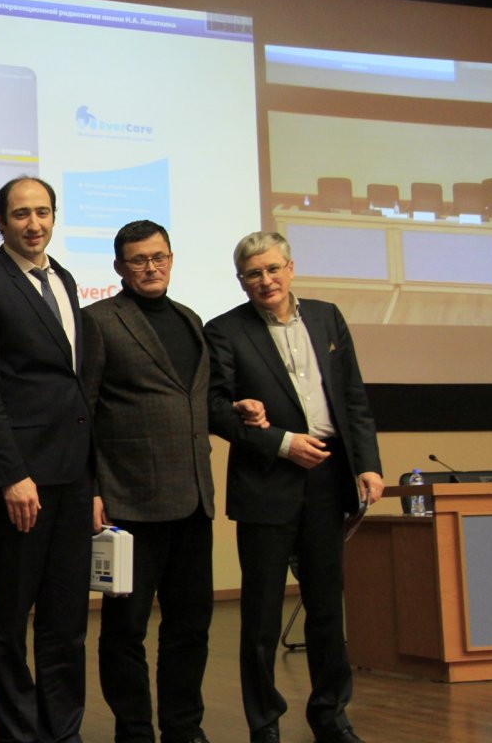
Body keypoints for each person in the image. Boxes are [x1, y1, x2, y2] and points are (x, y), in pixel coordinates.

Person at [83, 220, 266, 743]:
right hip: (128, 502)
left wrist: (235, 411)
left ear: (171, 258)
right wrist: (91, 488)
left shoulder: (190, 319)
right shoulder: (98, 321)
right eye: (138, 259)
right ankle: (135, 732)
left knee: (190, 627)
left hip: (192, 501)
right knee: (125, 632)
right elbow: (83, 411)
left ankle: (184, 729)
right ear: (119, 267)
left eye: (158, 256)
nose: (150, 267)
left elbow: (196, 401)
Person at [205, 231, 385, 743]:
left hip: (328, 476)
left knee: (326, 608)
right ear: (241, 281)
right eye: (253, 274)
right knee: (262, 616)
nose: (265, 281)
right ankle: (264, 724)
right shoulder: (224, 330)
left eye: (272, 269)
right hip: (267, 481)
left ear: (290, 267)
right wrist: (281, 442)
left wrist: (368, 465)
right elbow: (214, 408)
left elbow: (352, 397)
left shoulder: (327, 318)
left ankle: (331, 715)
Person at [0, 176, 92, 743]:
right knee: (12, 619)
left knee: (67, 619)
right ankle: (17, 733)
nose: (33, 224)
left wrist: (92, 479)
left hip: (73, 473)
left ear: (54, 216)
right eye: (20, 214)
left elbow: (71, 382)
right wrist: (10, 475)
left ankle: (63, 731)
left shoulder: (65, 279)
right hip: (22, 479)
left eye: (42, 212)